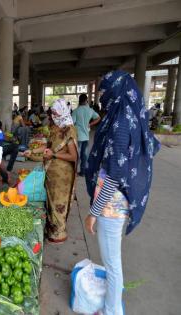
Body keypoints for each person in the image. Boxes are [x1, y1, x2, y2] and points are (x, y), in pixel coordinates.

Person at [84, 70, 160, 315]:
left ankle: (112, 311)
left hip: (111, 204)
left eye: (104, 91)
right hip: (116, 202)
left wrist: (93, 212)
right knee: (112, 261)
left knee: (112, 263)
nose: (102, 96)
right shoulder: (126, 114)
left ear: (116, 90)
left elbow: (115, 175)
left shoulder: (121, 124)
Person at [24, 99, 78, 243]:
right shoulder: (55, 127)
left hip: (63, 176)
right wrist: (32, 150)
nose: (53, 116)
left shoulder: (69, 130)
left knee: (59, 202)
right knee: (50, 200)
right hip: (50, 172)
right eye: (52, 113)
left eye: (55, 113)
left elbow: (73, 156)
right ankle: (51, 228)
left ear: (63, 111)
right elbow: (47, 145)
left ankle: (59, 232)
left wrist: (53, 155)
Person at [72, 93, 101, 176]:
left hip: (78, 136)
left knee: (76, 154)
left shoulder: (76, 111)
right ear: (86, 100)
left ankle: (74, 171)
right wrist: (90, 124)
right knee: (84, 155)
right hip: (86, 136)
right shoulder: (90, 110)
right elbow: (98, 118)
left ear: (79, 100)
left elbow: (72, 123)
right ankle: (83, 172)